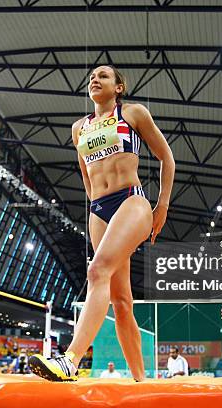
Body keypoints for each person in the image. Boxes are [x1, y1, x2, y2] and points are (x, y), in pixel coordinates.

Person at [29, 65, 174, 382]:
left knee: (96, 272)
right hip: (98, 209)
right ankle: (141, 381)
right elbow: (86, 175)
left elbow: (167, 157)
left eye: (104, 75)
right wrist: (95, 209)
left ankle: (70, 360)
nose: (95, 79)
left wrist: (161, 205)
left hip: (131, 201)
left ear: (119, 87)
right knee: (122, 302)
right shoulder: (78, 128)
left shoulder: (133, 113)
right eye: (92, 76)